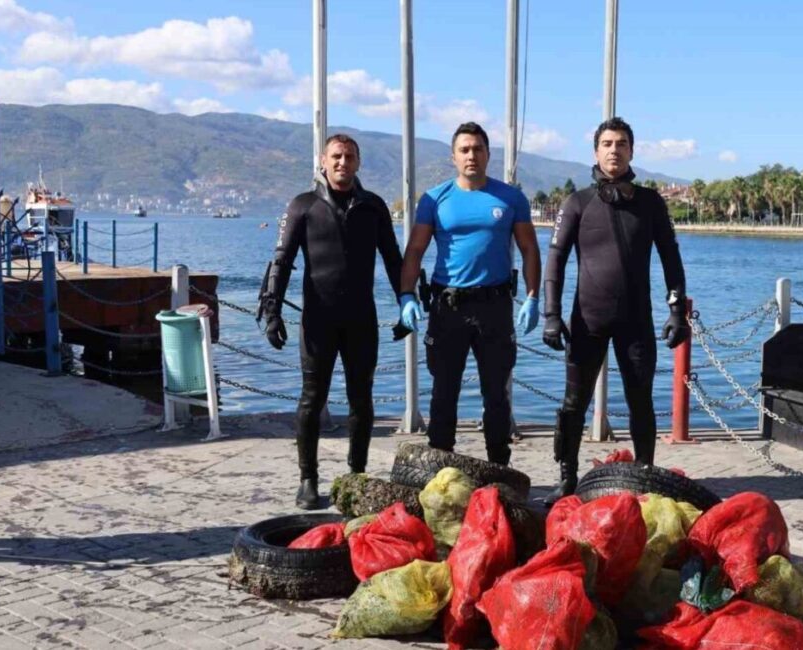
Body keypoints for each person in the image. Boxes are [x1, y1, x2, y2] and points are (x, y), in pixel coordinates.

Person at [541, 116, 690, 506]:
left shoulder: (650, 203)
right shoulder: (577, 202)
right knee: (573, 405)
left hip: (636, 321)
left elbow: (671, 258)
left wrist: (676, 310)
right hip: (587, 321)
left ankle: (645, 476)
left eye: (621, 143)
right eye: (607, 143)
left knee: (641, 402)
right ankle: (567, 478)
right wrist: (551, 314)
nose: (614, 150)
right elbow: (555, 260)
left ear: (631, 151)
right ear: (596, 151)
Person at [258, 133, 403, 509]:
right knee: (311, 398)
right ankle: (308, 479)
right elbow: (282, 260)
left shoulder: (373, 206)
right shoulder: (303, 206)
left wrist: (407, 301)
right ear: (323, 161)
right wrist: (272, 309)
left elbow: (393, 259)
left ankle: (357, 475)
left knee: (361, 399)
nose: (343, 162)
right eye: (336, 156)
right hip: (318, 320)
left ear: (358, 162)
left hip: (361, 319)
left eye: (350, 156)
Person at [398, 122, 541, 465]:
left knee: (496, 393)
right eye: (464, 150)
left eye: (478, 149)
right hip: (448, 307)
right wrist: (406, 295)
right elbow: (415, 250)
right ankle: (439, 466)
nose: (471, 155)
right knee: (444, 391)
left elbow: (529, 249)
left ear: (488, 154)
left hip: (495, 306)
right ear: (453, 157)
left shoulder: (511, 198)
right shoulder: (435, 199)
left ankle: (499, 466)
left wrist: (533, 297)